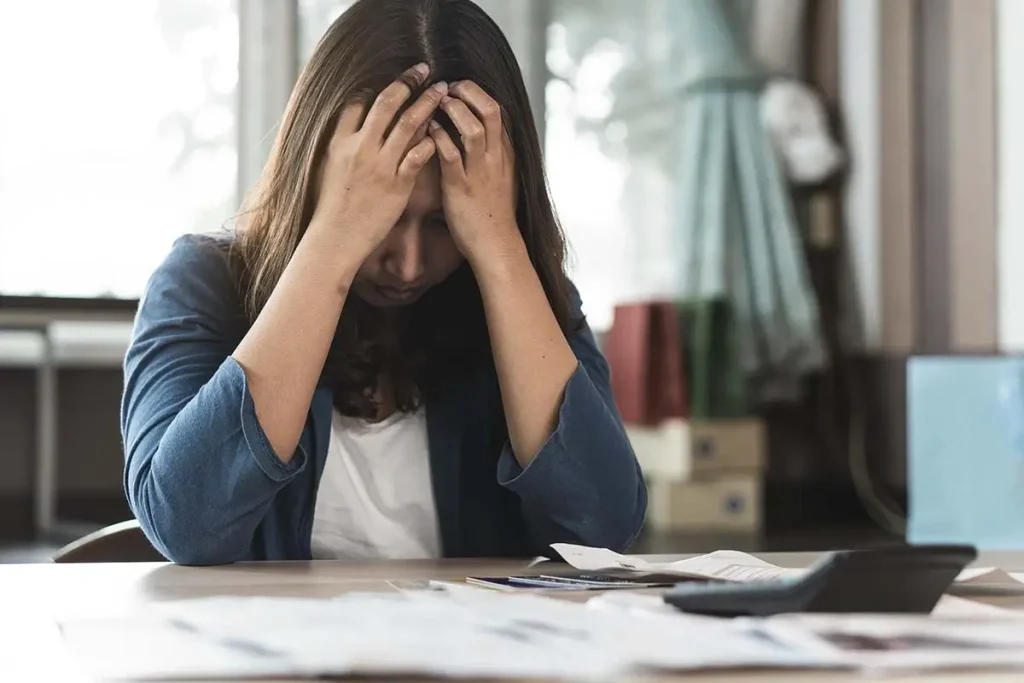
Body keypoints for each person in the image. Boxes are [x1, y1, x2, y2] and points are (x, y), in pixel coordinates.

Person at [121, 0, 646, 565]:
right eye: (383, 218)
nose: (409, 264)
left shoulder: (526, 297)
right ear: (317, 177)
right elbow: (185, 524)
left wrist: (498, 249)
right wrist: (333, 243)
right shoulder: (203, 282)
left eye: (446, 223)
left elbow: (602, 531)